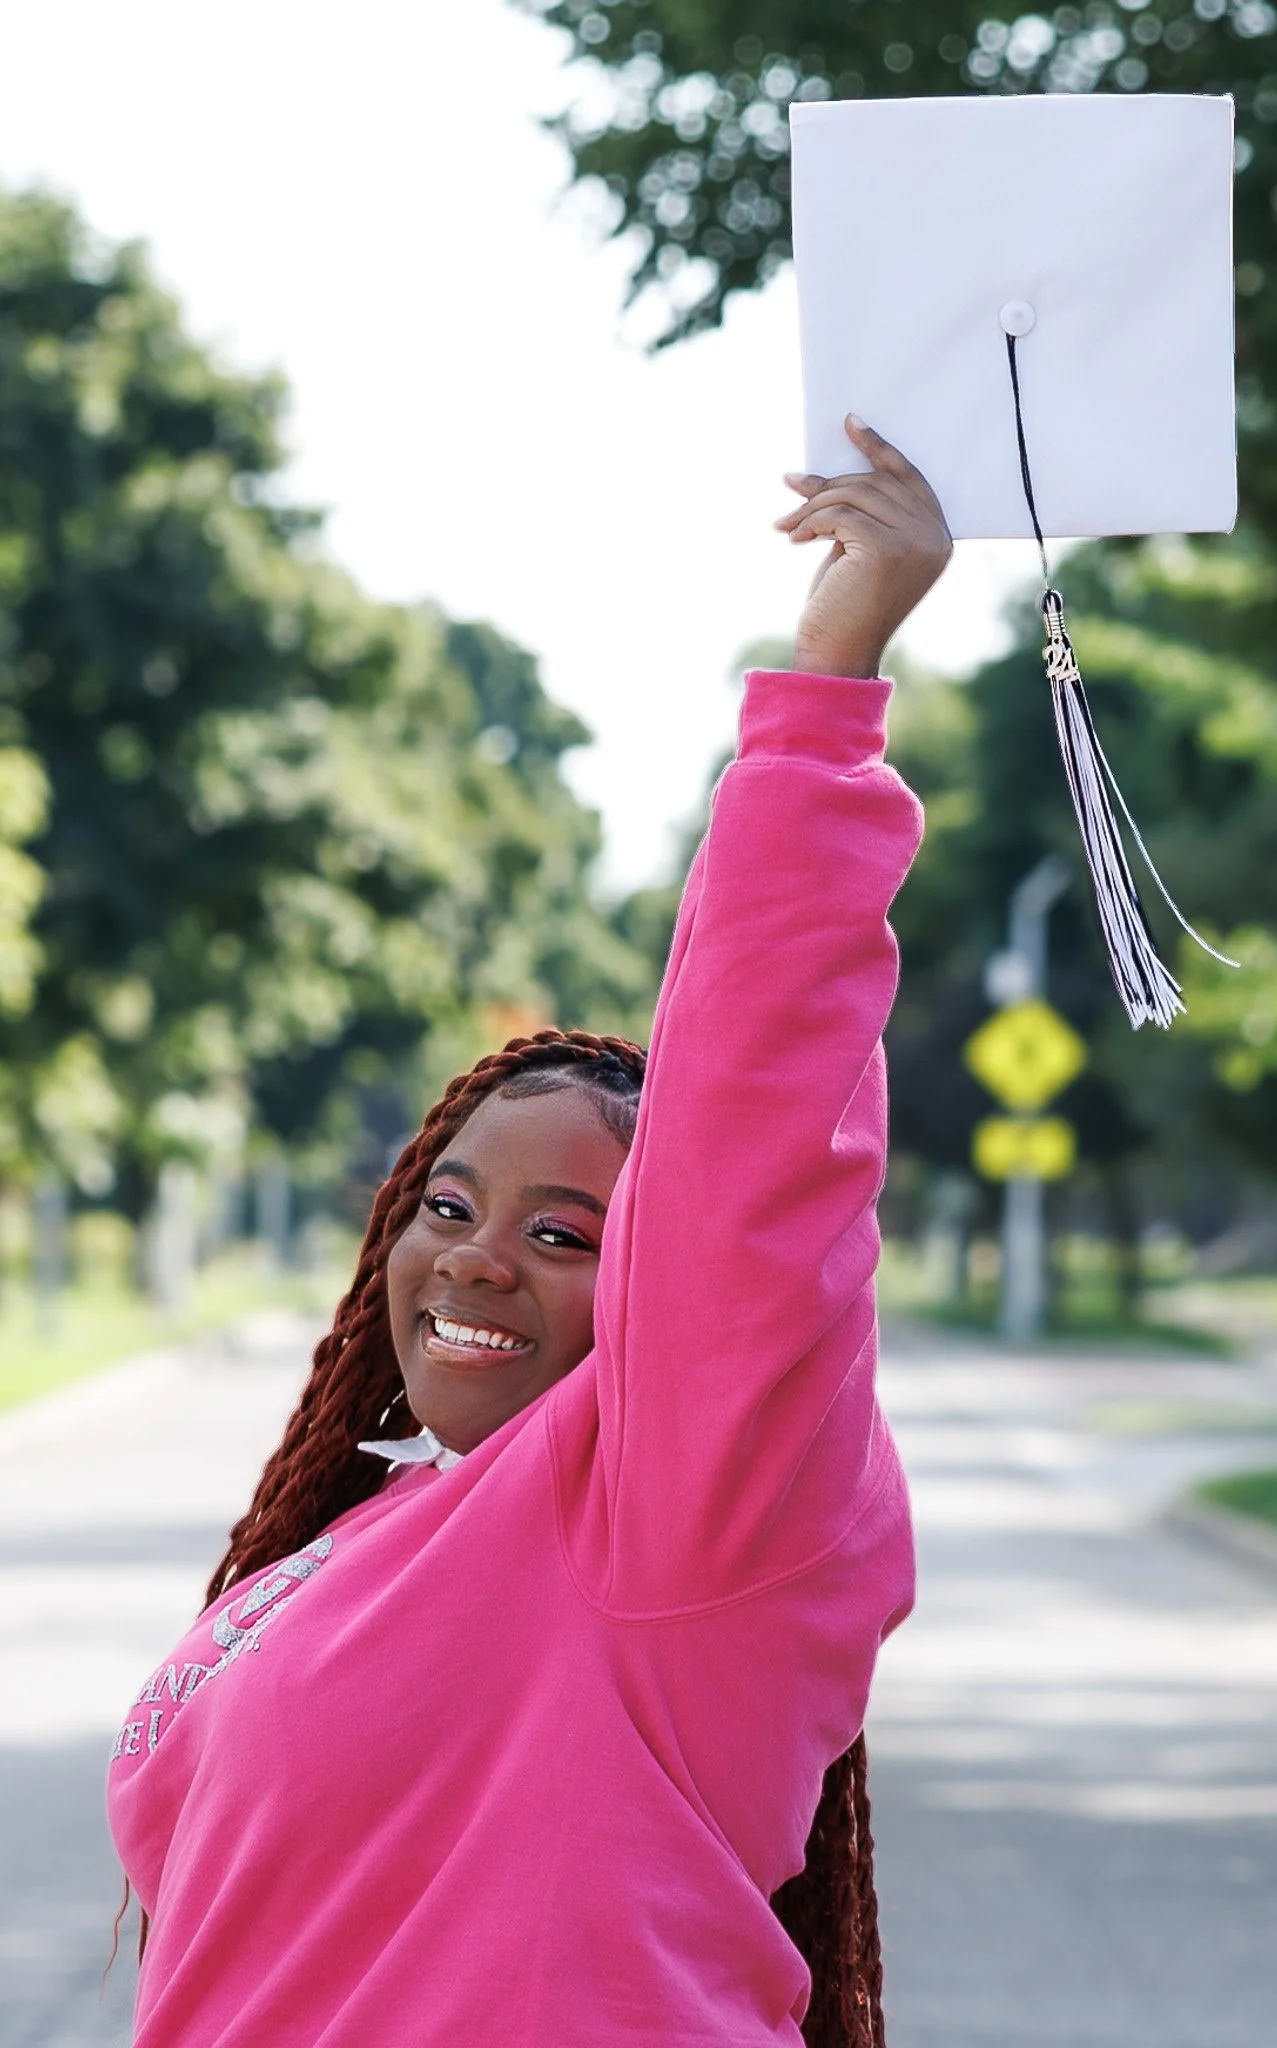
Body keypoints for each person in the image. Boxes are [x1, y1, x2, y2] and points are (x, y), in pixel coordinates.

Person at [106, 418, 951, 2047]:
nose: (473, 1259)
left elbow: (756, 1152)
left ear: (651, 1290)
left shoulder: (679, 1520)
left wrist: (825, 688)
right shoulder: (367, 1533)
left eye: (568, 1234)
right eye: (446, 1204)